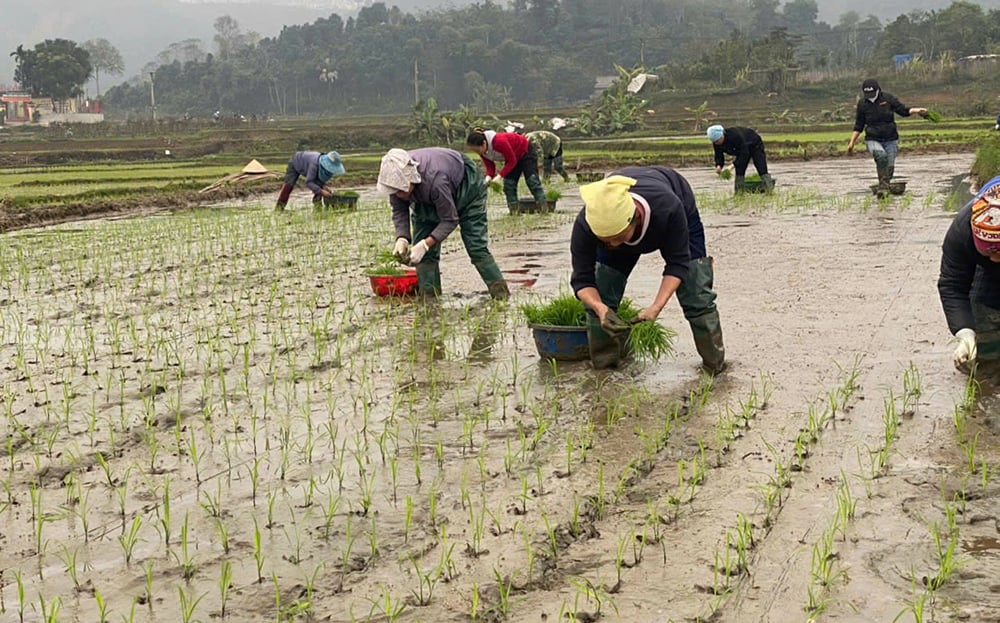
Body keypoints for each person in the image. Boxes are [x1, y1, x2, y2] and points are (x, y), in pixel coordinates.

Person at [569, 167, 725, 372]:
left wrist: (655, 307)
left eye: (619, 237)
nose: (614, 245)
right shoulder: (587, 224)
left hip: (676, 202)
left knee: (696, 292)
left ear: (636, 218)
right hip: (619, 219)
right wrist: (599, 307)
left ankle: (714, 366)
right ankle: (604, 368)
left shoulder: (668, 208)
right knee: (603, 290)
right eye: (605, 241)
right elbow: (582, 280)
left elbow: (677, 264)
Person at [377, 147, 510, 300]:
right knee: (424, 256)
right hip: (428, 193)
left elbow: (450, 219)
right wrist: (402, 238)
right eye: (396, 192)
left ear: (411, 178)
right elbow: (399, 210)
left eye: (401, 191)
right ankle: (429, 299)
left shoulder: (436, 180)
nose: (399, 195)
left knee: (476, 246)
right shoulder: (395, 183)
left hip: (467, 187)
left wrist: (426, 244)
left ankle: (501, 295)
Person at [938, 175, 1000, 372]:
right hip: (986, 275)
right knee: (985, 340)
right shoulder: (961, 232)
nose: (996, 259)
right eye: (990, 251)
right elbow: (952, 285)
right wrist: (965, 333)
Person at [846, 78, 927, 192]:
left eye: (872, 93)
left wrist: (918, 110)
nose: (870, 96)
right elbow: (859, 125)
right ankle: (883, 189)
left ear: (878, 90)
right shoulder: (862, 104)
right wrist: (851, 143)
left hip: (890, 138)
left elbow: (903, 111)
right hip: (873, 139)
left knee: (889, 168)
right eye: (867, 94)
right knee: (880, 156)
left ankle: (884, 188)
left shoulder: (888, 99)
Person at [466, 127, 546, 211]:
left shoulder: (499, 141)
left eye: (478, 150)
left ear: (484, 143)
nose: (478, 153)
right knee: (509, 184)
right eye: (475, 151)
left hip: (525, 152)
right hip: (513, 157)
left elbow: (512, 161)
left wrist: (499, 176)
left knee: (532, 181)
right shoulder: (483, 152)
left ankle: (543, 207)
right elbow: (490, 167)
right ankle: (514, 210)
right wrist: (488, 179)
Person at [706, 124, 773, 193]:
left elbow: (744, 153)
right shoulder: (716, 143)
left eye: (717, 140)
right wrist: (718, 166)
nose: (717, 143)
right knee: (740, 169)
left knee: (761, 166)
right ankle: (739, 192)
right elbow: (718, 155)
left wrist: (732, 166)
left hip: (754, 144)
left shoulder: (734, 136)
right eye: (714, 142)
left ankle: (769, 189)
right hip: (741, 150)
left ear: (722, 135)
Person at [274, 151, 345, 210]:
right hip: (296, 162)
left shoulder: (324, 170)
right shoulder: (314, 164)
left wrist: (323, 187)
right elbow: (309, 182)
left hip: (307, 164)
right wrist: (321, 191)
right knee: (288, 186)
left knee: (320, 185)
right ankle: (279, 209)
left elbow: (320, 181)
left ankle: (317, 206)